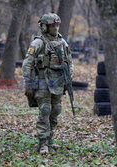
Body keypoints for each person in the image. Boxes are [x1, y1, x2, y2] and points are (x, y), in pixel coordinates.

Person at [22, 13, 74, 154]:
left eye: (57, 25)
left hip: (57, 82)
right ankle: (43, 143)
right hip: (42, 82)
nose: (55, 28)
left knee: (55, 110)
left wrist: (68, 80)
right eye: (52, 25)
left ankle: (50, 139)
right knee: (45, 110)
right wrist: (28, 84)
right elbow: (27, 63)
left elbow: (69, 61)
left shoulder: (63, 42)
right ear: (44, 26)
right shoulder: (38, 42)